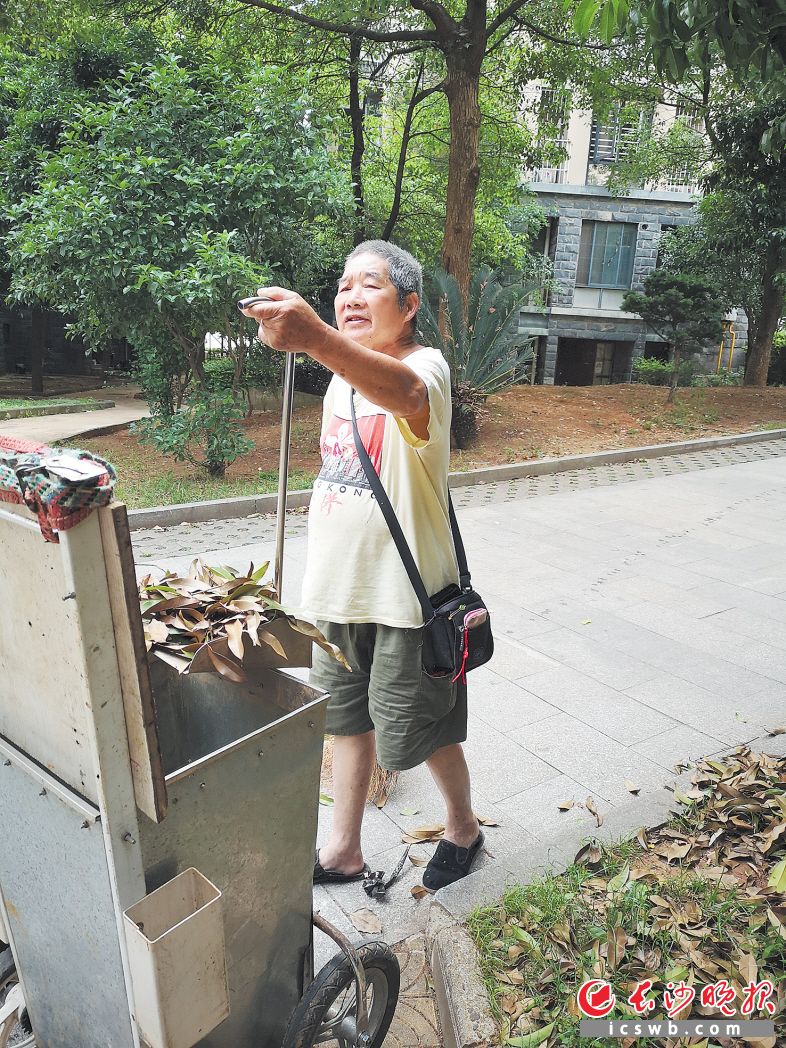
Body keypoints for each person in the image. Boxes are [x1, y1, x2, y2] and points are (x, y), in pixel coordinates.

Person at [241, 240, 483, 891]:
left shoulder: (425, 368)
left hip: (403, 601)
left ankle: (463, 827)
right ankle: (342, 850)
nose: (349, 296)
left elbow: (405, 397)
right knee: (346, 726)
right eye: (343, 286)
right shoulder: (341, 381)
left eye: (368, 285)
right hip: (338, 596)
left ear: (407, 306)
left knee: (421, 733)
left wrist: (314, 338)